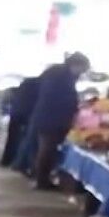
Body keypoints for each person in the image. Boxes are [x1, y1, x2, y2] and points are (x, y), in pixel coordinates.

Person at [29, 52, 90, 190]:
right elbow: (58, 97)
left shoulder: (58, 73)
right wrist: (74, 105)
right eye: (82, 69)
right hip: (51, 119)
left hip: (49, 117)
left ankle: (42, 178)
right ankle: (41, 181)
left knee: (46, 150)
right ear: (76, 65)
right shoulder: (59, 76)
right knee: (47, 150)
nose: (82, 73)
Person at [1, 73, 41, 169]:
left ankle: (6, 160)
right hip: (26, 114)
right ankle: (18, 164)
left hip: (16, 112)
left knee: (12, 138)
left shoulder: (27, 82)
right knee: (23, 139)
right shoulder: (39, 85)